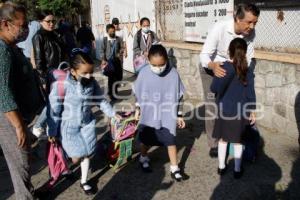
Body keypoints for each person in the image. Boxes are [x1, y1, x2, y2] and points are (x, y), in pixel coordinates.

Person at [47, 51, 120, 195]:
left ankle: (84, 181)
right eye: (85, 73)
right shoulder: (62, 84)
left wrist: (112, 113)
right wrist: (52, 130)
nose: (89, 76)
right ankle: (65, 164)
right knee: (76, 157)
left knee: (86, 153)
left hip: (87, 123)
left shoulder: (92, 82)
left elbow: (100, 100)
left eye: (91, 72)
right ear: (73, 71)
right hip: (69, 126)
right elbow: (53, 108)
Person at [199, 3, 260, 158]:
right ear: (237, 18)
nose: (252, 26)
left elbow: (249, 57)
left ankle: (235, 137)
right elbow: (204, 55)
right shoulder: (220, 28)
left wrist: (246, 78)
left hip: (235, 68)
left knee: (235, 103)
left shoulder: (250, 33)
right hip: (212, 68)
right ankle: (214, 144)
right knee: (213, 105)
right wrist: (213, 66)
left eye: (255, 22)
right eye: (249, 22)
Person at [0, 2, 45, 199]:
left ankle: (28, 194)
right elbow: (3, 92)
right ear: (5, 24)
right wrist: (19, 127)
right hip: (9, 118)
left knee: (24, 163)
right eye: (22, 24)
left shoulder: (10, 46)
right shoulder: (2, 50)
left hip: (18, 116)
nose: (26, 29)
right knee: (21, 165)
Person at [134, 44, 187, 182]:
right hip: (149, 114)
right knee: (146, 139)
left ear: (167, 60)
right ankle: (143, 157)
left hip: (167, 115)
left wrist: (179, 115)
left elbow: (180, 95)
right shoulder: (144, 72)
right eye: (154, 65)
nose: (158, 68)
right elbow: (138, 92)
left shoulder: (173, 73)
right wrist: (137, 109)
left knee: (170, 140)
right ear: (148, 60)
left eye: (161, 64)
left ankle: (175, 168)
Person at [210, 38, 256, 179]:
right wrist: (252, 110)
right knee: (237, 141)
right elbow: (250, 92)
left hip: (225, 110)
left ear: (229, 52)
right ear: (245, 52)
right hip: (241, 111)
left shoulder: (223, 67)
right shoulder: (247, 70)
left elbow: (214, 88)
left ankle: (221, 167)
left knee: (223, 139)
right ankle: (237, 170)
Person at [32, 10, 66, 138]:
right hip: (49, 75)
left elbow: (62, 52)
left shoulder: (55, 34)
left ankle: (52, 126)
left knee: (59, 102)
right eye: (48, 21)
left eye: (53, 21)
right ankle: (38, 125)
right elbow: (39, 61)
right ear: (41, 21)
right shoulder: (38, 36)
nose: (51, 24)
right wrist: (43, 80)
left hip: (60, 73)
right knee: (53, 102)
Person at [100, 24, 123, 101]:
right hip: (108, 62)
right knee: (111, 79)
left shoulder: (118, 39)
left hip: (117, 61)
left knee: (118, 77)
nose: (112, 33)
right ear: (107, 32)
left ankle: (114, 91)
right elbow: (102, 50)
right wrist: (103, 59)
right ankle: (112, 94)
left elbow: (121, 48)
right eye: (111, 31)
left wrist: (120, 52)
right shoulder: (105, 40)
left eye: (113, 31)